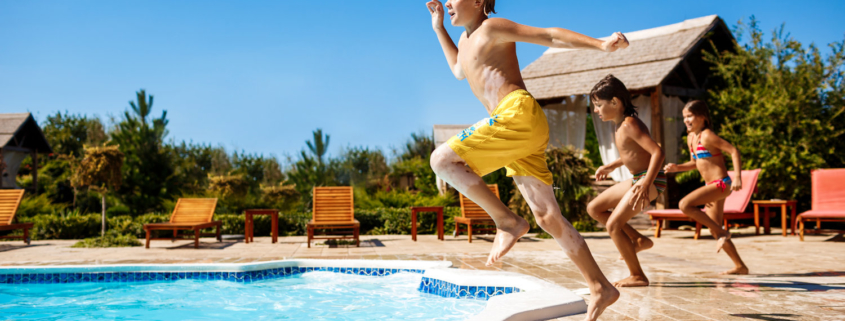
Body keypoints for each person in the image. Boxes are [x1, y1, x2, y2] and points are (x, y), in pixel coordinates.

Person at [424, 0, 629, 319]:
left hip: (515, 114)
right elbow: (458, 70)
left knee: (442, 161)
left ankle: (507, 221)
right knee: (548, 217)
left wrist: (600, 44)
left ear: (478, 1)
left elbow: (549, 35)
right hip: (518, 131)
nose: (447, 2)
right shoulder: (465, 40)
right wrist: (438, 28)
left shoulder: (492, 27)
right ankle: (601, 286)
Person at [587, 75, 666, 287]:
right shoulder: (620, 124)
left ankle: (638, 275)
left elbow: (657, 152)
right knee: (594, 208)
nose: (596, 110)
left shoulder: (630, 123)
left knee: (613, 225)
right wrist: (611, 166)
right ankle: (639, 240)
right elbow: (633, 153)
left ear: (615, 102)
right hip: (638, 179)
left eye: (598, 105)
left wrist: (646, 183)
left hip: (650, 179)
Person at [663, 100, 749, 275]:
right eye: (684, 117)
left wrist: (738, 176)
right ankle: (740, 266)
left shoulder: (707, 135)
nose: (686, 120)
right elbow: (695, 163)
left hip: (721, 184)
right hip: (710, 186)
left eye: (690, 116)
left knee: (684, 205)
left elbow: (733, 151)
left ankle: (723, 232)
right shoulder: (691, 138)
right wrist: (677, 168)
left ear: (702, 117)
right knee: (713, 227)